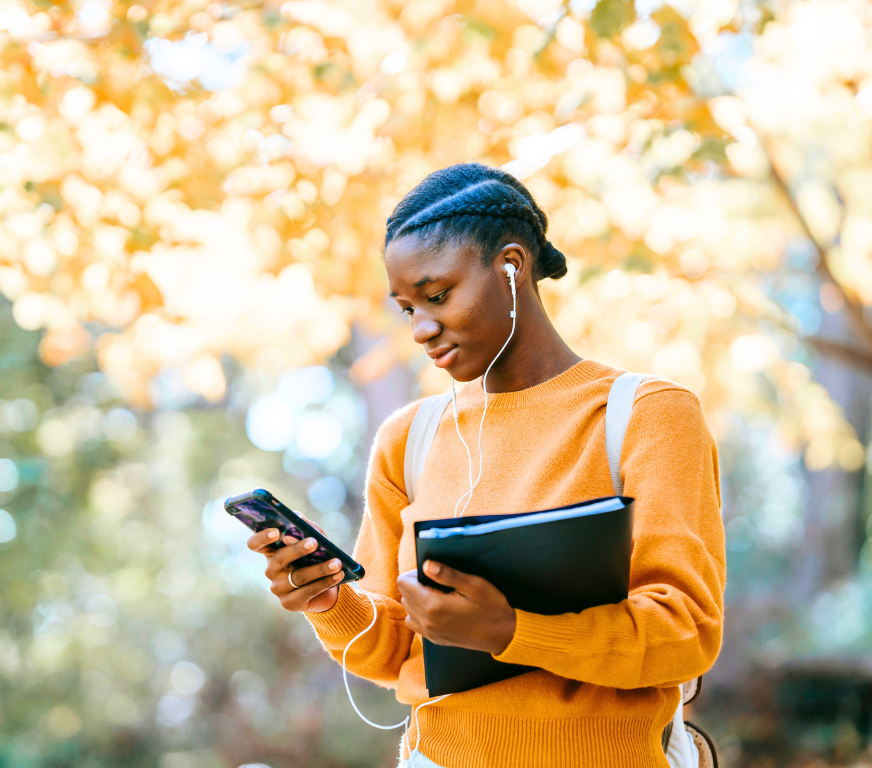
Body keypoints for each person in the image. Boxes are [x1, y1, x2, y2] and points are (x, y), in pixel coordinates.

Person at [247, 163, 725, 768]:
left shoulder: (645, 415)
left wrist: (508, 630)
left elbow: (686, 632)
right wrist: (327, 601)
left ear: (511, 266)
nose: (421, 328)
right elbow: (392, 649)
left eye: (438, 295)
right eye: (406, 308)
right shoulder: (409, 438)